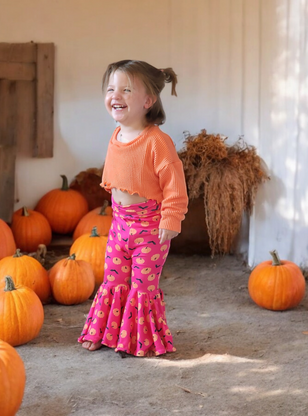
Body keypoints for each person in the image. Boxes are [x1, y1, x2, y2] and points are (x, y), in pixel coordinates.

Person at [78, 59, 188, 357]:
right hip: (119, 225)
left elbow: (174, 185)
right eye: (111, 89)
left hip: (150, 228)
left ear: (148, 101)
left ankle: (139, 339)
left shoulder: (157, 142)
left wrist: (171, 219)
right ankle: (105, 332)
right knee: (113, 280)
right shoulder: (116, 135)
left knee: (142, 286)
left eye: (127, 90)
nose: (116, 95)